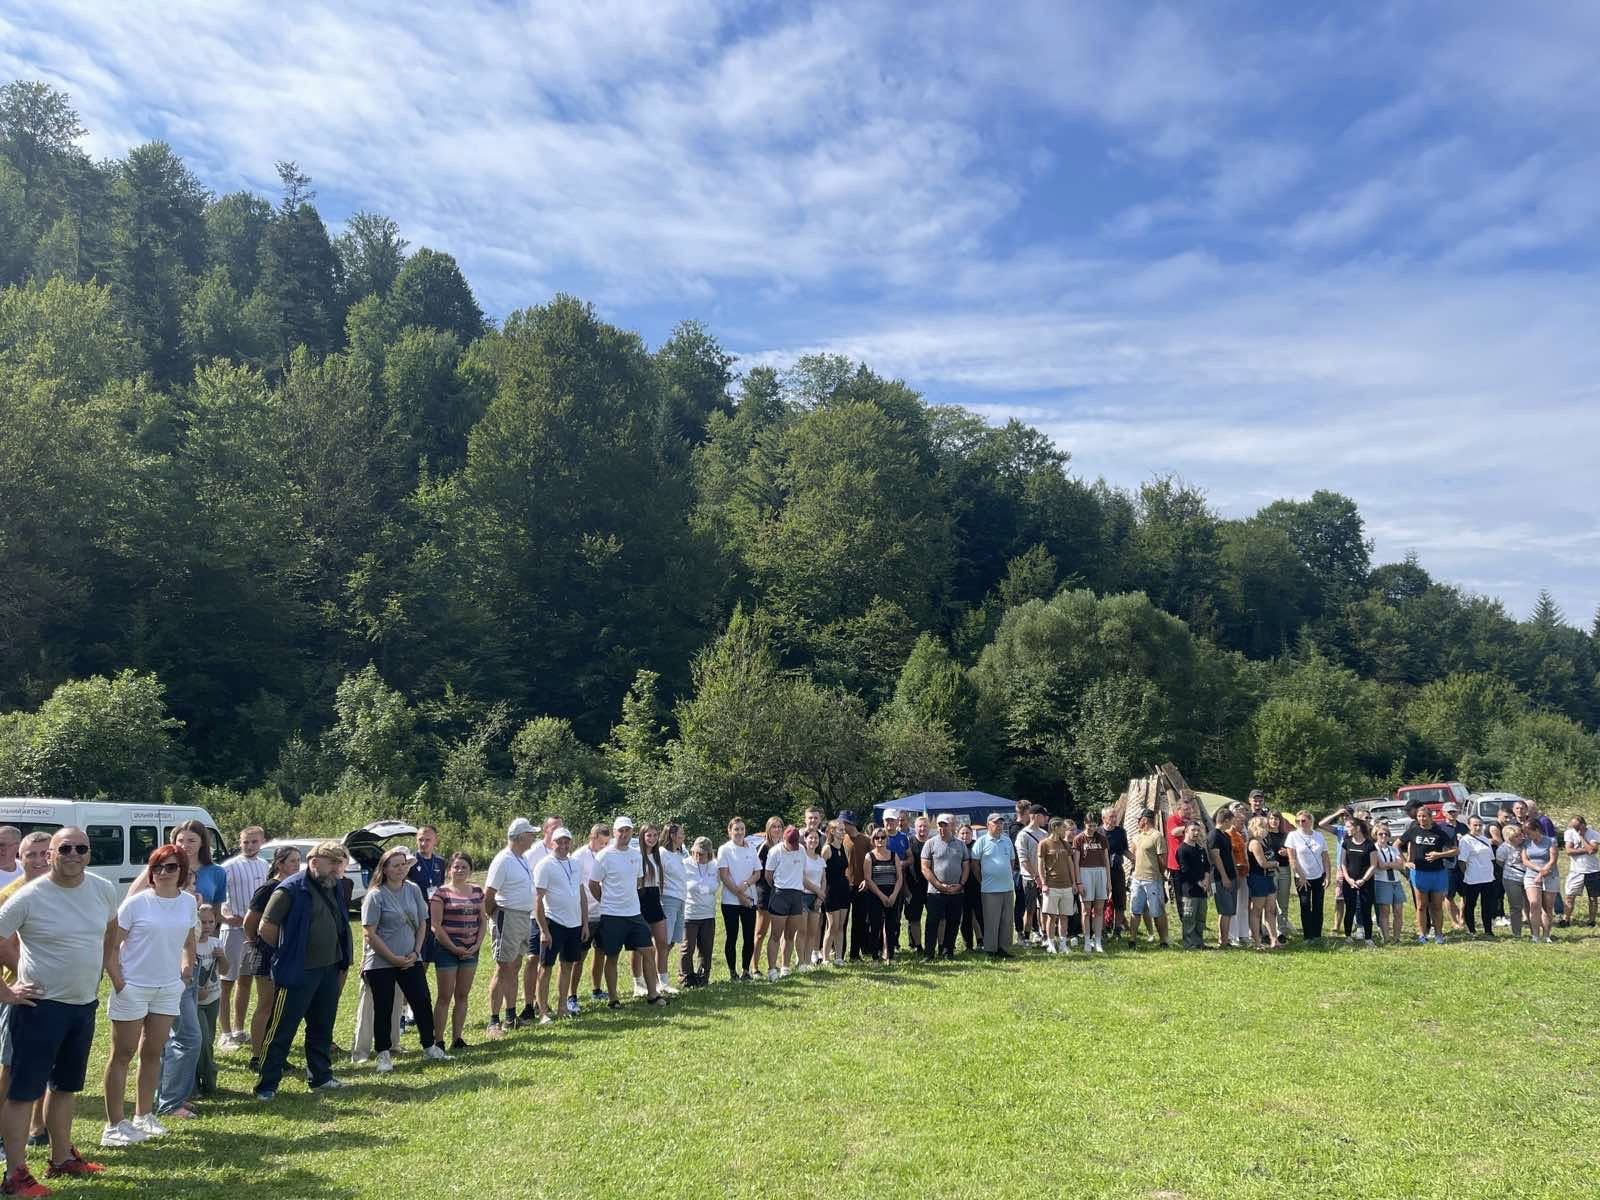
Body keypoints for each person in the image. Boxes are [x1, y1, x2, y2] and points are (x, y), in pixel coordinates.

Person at [0, 827, 119, 1192]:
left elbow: (111, 929)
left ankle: (62, 1158)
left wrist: (102, 968)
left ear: (89, 853)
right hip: (38, 1008)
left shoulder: (103, 889)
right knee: (23, 1092)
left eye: (81, 848)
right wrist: (5, 991)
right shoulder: (29, 896)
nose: (73, 854)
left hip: (82, 1005)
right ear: (50, 855)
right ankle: (15, 1175)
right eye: (64, 848)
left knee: (65, 1086)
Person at [102, 844, 197, 1147]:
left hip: (168, 989)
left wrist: (185, 970)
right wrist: (120, 983)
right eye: (157, 867)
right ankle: (114, 1125)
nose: (163, 872)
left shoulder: (188, 902)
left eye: (171, 867)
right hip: (133, 987)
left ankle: (144, 1115)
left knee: (154, 1052)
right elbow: (110, 947)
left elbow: (189, 941)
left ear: (182, 871)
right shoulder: (136, 904)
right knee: (123, 1054)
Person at [133, 820, 223, 1121]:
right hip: (160, 970)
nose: (185, 845)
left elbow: (193, 930)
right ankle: (169, 1100)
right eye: (181, 839)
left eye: (191, 840)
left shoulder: (202, 880)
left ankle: (169, 1096)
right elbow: (129, 914)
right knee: (185, 1036)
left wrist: (192, 962)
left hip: (188, 967)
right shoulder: (156, 874)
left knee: (176, 1036)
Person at [253, 840, 353, 1101]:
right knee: (281, 1030)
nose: (337, 869)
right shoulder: (289, 889)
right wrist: (288, 953)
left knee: (322, 1026)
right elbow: (265, 927)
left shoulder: (333, 885)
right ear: (314, 861)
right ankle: (267, 1084)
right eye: (332, 863)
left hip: (328, 969)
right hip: (298, 971)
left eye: (339, 863)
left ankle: (321, 1077)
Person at [361, 847, 445, 1073]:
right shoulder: (375, 895)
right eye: (395, 865)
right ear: (385, 869)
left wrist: (416, 953)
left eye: (404, 864)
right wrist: (392, 958)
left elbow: (422, 923)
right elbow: (370, 934)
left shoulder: (413, 889)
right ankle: (383, 1054)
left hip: (410, 958)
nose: (401, 869)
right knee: (384, 1007)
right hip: (381, 962)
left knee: (421, 1001)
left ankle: (429, 1046)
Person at [0, 833, 51, 1155]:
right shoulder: (11, 895)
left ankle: (38, 1125)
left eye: (45, 853)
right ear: (20, 858)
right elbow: (4, 945)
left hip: (56, 994)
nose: (38, 860)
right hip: (19, 992)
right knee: (12, 1066)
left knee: (46, 1063)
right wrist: (23, 978)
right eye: (30, 854)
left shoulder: (60, 893)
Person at [589, 817, 668, 1008]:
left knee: (648, 951)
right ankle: (613, 999)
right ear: (614, 832)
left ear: (632, 832)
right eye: (621, 831)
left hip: (634, 914)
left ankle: (653, 995)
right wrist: (606, 901)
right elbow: (593, 884)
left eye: (627, 830)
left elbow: (638, 881)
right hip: (612, 915)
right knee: (612, 956)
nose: (624, 834)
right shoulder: (604, 856)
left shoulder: (636, 855)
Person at [241, 845, 298, 1072]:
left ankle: (274, 1054)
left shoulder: (294, 886)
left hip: (286, 953)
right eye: (292, 861)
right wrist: (256, 941)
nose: (297, 865)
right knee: (266, 1005)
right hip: (266, 953)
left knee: (280, 1008)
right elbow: (249, 921)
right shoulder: (268, 888)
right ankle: (257, 1057)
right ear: (279, 864)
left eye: (298, 860)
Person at [483, 818, 537, 1038]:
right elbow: (489, 895)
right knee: (503, 968)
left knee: (514, 966)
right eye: (531, 834)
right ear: (521, 836)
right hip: (507, 916)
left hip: (522, 917)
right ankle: (493, 1022)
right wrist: (493, 916)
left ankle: (510, 1016)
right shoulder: (503, 860)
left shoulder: (521, 858)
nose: (533, 838)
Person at [217, 826, 267, 1053]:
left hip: (255, 933)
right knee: (226, 982)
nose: (249, 846)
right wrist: (225, 916)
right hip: (233, 931)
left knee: (245, 980)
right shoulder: (229, 867)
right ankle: (225, 1033)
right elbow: (218, 896)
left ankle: (238, 1029)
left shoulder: (264, 865)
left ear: (262, 842)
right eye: (245, 842)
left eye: (254, 842)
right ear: (240, 843)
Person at [533, 830, 589, 1023]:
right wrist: (543, 930)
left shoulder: (575, 863)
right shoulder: (545, 865)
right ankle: (542, 1012)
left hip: (574, 924)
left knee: (567, 966)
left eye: (567, 841)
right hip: (553, 922)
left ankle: (562, 1007)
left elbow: (581, 894)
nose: (564, 845)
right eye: (560, 842)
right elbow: (537, 899)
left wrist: (584, 923)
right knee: (546, 967)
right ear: (552, 843)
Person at [428, 852, 483, 1048]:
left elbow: (482, 921)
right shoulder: (440, 893)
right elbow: (435, 925)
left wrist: (476, 945)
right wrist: (453, 947)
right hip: (447, 950)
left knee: (462, 995)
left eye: (464, 867)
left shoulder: (477, 891)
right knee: (444, 996)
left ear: (470, 870)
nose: (460, 870)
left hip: (470, 950)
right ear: (449, 870)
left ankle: (457, 1038)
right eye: (456, 866)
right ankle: (438, 1041)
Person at [1399, 806, 1458, 944]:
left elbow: (1455, 850)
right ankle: (1422, 935)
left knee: (1436, 906)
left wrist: (1439, 855)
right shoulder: (1413, 831)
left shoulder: (1439, 832)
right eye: (1419, 816)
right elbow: (1397, 844)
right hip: (1419, 873)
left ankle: (1439, 934)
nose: (1421, 819)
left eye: (1424, 816)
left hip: (1437, 873)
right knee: (1421, 905)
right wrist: (1405, 862)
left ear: (1431, 817)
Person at [716, 818, 760, 982]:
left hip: (750, 899)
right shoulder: (724, 849)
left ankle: (746, 971)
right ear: (729, 831)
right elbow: (724, 875)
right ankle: (732, 972)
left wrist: (747, 883)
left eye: (742, 829)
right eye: (736, 829)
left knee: (749, 936)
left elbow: (757, 873)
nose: (739, 832)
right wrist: (740, 896)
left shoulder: (751, 848)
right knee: (732, 936)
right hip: (730, 902)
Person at [920, 814, 969, 961]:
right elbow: (925, 868)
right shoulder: (930, 843)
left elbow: (966, 866)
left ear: (952, 826)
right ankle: (929, 953)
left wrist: (960, 885)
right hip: (935, 892)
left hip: (956, 892)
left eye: (945, 825)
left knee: (953, 922)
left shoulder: (960, 845)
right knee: (932, 923)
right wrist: (939, 885)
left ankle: (948, 951)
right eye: (940, 825)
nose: (942, 828)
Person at [571, 825, 609, 1003]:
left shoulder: (608, 854)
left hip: (604, 912)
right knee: (579, 956)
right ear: (591, 837)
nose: (604, 846)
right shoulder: (578, 857)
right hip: (584, 914)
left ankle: (596, 989)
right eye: (601, 843)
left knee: (600, 952)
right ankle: (572, 995)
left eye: (606, 843)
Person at [761, 827, 807, 976]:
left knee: (790, 934)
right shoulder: (775, 851)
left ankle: (785, 967)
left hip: (797, 894)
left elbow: (802, 871)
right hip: (780, 893)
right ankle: (771, 969)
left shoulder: (801, 850)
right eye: (790, 844)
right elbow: (768, 875)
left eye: (795, 844)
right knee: (776, 934)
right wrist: (778, 887)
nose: (793, 847)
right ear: (784, 840)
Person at [972, 814, 1017, 959]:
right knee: (991, 920)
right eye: (995, 823)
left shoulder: (1007, 840)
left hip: (1007, 887)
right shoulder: (981, 841)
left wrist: (1004, 874)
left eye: (1001, 823)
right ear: (988, 825)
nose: (999, 825)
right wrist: (982, 880)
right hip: (990, 889)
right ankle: (991, 949)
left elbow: (1011, 861)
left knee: (1007, 920)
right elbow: (974, 864)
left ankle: (1004, 948)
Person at [634, 824, 670, 996]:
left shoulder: (657, 855)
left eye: (655, 835)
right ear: (642, 837)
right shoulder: (636, 855)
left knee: (662, 942)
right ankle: (638, 983)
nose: (652, 838)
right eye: (649, 835)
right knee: (640, 946)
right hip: (640, 899)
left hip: (655, 898)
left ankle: (663, 981)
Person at [192, 905, 223, 1101]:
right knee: (200, 1041)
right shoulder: (190, 945)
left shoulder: (216, 943)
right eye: (202, 922)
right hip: (195, 1002)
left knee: (209, 1040)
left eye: (211, 922)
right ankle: (204, 1080)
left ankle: (207, 1083)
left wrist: (222, 956)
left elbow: (225, 969)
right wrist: (196, 990)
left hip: (213, 999)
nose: (207, 926)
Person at [860, 828, 903, 962]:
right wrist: (881, 896)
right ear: (873, 840)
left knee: (891, 926)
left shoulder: (894, 855)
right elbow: (868, 879)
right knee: (875, 926)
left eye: (883, 837)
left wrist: (894, 895)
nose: (880, 840)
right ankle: (875, 956)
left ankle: (890, 955)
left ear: (886, 839)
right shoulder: (869, 857)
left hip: (892, 893)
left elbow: (899, 878)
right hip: (875, 895)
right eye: (877, 838)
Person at [1035, 820, 1078, 955]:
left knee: (1064, 916)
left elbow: (1070, 864)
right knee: (1051, 917)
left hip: (1067, 885)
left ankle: (1063, 944)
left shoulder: (1065, 844)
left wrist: (1074, 883)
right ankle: (1051, 944)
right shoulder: (1044, 844)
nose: (1065, 830)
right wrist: (1043, 883)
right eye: (1063, 827)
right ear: (1055, 828)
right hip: (1051, 885)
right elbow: (1040, 865)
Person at [1285, 812, 1329, 942]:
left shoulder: (1319, 836)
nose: (1300, 823)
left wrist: (1328, 875)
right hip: (1302, 876)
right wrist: (1301, 876)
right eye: (1297, 821)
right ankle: (1307, 935)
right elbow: (1292, 859)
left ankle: (1317, 934)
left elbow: (1325, 857)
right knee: (1305, 904)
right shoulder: (1292, 836)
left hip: (1318, 875)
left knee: (1318, 905)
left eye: (1303, 820)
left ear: (1310, 821)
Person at [749, 816, 785, 978]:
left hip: (780, 893)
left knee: (776, 932)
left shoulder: (783, 847)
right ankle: (754, 967)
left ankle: (773, 963)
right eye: (774, 827)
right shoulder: (763, 848)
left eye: (779, 827)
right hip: (765, 893)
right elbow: (758, 871)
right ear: (768, 829)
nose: (777, 830)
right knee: (760, 932)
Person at [1128, 810, 1169, 948]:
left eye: (1138, 819)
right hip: (1137, 879)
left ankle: (1163, 940)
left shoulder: (1157, 836)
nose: (1137, 822)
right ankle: (1132, 940)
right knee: (1135, 910)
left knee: (1157, 911)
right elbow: (1133, 855)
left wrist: (1160, 874)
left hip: (1152, 879)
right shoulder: (1137, 837)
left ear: (1144, 820)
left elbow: (1163, 860)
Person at [682, 839, 719, 986]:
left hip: (708, 914)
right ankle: (686, 977)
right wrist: (704, 887)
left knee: (706, 948)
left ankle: (703, 977)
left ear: (709, 853)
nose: (698, 856)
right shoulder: (685, 864)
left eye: (702, 854)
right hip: (690, 913)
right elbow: (687, 886)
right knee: (687, 948)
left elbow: (715, 885)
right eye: (696, 853)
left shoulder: (714, 865)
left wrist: (701, 887)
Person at [1072, 811, 1109, 954]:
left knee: (1099, 910)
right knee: (1086, 910)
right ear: (1084, 824)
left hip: (1101, 872)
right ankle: (1087, 941)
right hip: (1084, 872)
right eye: (1089, 826)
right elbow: (1076, 862)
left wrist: (1109, 882)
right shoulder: (1078, 839)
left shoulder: (1102, 839)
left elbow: (1106, 861)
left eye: (1094, 826)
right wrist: (1078, 882)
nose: (1092, 829)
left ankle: (1098, 941)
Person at [1014, 805, 1049, 947]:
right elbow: (1023, 860)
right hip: (1029, 878)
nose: (1046, 818)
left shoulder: (1044, 833)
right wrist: (1036, 877)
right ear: (1036, 816)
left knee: (1045, 908)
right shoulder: (1023, 835)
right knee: (1030, 909)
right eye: (1043, 816)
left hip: (1045, 878)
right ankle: (1026, 937)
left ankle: (1045, 936)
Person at [1457, 817, 1497, 938]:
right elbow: (1462, 861)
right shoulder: (1465, 840)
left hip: (1488, 878)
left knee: (1487, 905)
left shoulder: (1485, 839)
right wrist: (1467, 873)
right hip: (1472, 879)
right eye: (1475, 825)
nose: (1478, 827)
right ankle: (1471, 930)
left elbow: (1491, 858)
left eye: (1480, 825)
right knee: (1470, 905)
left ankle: (1488, 930)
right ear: (1469, 826)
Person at [1338, 818, 1377, 942]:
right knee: (1350, 909)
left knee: (1366, 909)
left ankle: (1368, 938)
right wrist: (1348, 879)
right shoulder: (1346, 843)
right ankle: (1348, 936)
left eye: (1349, 826)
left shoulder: (1369, 844)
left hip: (1366, 882)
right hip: (1349, 882)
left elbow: (1373, 865)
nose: (1347, 829)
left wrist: (1363, 880)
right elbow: (1343, 863)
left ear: (1358, 828)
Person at [658, 824, 688, 987]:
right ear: (672, 835)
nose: (683, 836)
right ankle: (660, 981)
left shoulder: (679, 854)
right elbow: (658, 877)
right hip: (668, 899)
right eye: (681, 833)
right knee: (663, 942)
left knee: (671, 942)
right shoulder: (663, 853)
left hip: (681, 898)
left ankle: (659, 976)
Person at [841, 812, 873, 962]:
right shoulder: (841, 839)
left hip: (862, 886)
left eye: (843, 823)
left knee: (859, 921)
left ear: (850, 823)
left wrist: (867, 880)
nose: (841, 826)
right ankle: (839, 953)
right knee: (841, 922)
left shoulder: (866, 840)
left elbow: (872, 861)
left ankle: (855, 954)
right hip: (844, 886)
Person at [1520, 822, 1560, 943]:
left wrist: (1541, 874)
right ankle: (1535, 935)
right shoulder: (1526, 843)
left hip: (1550, 876)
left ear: (1537, 829)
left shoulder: (1550, 841)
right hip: (1531, 876)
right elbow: (1525, 860)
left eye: (1529, 833)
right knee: (1534, 903)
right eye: (1525, 833)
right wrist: (1538, 870)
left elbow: (1553, 860)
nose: (1527, 836)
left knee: (1548, 907)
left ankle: (1546, 935)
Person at [1246, 817, 1280, 950]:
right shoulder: (1254, 843)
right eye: (1265, 826)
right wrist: (1275, 863)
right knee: (1257, 910)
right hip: (1258, 879)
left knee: (1271, 909)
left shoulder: (1265, 841)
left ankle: (1274, 939)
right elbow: (1262, 863)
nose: (1267, 829)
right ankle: (1257, 942)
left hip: (1269, 878)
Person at [1176, 823, 1212, 950]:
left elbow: (1207, 865)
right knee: (1189, 917)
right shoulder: (1182, 849)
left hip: (1202, 890)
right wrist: (1198, 882)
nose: (1196, 833)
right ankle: (1189, 944)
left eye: (1198, 830)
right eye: (1193, 830)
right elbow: (1185, 870)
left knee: (1200, 918)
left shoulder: (1200, 848)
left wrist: (1206, 879)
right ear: (1186, 831)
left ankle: (1199, 942)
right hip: (1189, 890)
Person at [821, 821, 852, 966]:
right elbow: (821, 872)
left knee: (841, 925)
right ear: (832, 831)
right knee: (832, 926)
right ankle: (825, 958)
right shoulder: (827, 849)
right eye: (840, 830)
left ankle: (839, 957)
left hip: (843, 890)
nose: (843, 832)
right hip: (831, 890)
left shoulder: (843, 847)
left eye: (843, 830)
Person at [1207, 809, 1239, 949]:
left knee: (1230, 910)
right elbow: (1216, 857)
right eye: (1232, 821)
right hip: (1220, 878)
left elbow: (1230, 854)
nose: (1233, 823)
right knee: (1224, 910)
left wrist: (1235, 873)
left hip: (1231, 876)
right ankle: (1223, 941)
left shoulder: (1225, 835)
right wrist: (1224, 877)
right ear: (1226, 820)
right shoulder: (1214, 835)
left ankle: (1227, 938)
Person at [1561, 817, 1599, 927]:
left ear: (1583, 824)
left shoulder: (1594, 834)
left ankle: (1591, 921)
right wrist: (1586, 849)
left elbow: (1592, 850)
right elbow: (1569, 851)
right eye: (1573, 827)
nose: (1575, 829)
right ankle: (1566, 919)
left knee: (1593, 897)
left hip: (1593, 870)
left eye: (1577, 827)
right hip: (1575, 870)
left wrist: (1581, 836)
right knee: (1570, 896)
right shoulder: (1569, 833)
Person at [1372, 824, 1405, 943]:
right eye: (1380, 834)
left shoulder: (1393, 849)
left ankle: (1397, 938)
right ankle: (1386, 938)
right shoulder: (1374, 848)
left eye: (1386, 834)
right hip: (1382, 882)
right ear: (1375, 835)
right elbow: (1380, 866)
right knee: (1385, 911)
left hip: (1396, 881)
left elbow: (1401, 865)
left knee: (1398, 910)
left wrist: (1388, 864)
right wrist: (1393, 864)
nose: (1383, 836)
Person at [1265, 811, 1295, 938]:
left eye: (1276, 819)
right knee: (1270, 902)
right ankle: (1268, 931)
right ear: (1268, 820)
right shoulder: (1265, 835)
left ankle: (1282, 930)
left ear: (1280, 821)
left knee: (1283, 902)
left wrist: (1287, 853)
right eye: (1271, 818)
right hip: (1270, 870)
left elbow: (1293, 852)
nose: (1274, 821)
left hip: (1284, 869)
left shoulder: (1286, 835)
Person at [1496, 824, 1529, 939]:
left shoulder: (1525, 845)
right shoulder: (1503, 849)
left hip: (1528, 877)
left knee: (1531, 904)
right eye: (1517, 836)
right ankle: (1517, 933)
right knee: (1516, 906)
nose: (1520, 838)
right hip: (1511, 879)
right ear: (1509, 838)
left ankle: (1534, 930)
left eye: (1520, 835)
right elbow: (1500, 862)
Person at [1102, 805, 1130, 939]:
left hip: (1117, 869)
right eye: (1111, 817)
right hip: (1101, 871)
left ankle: (1117, 930)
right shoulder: (1098, 832)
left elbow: (1125, 850)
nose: (1114, 819)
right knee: (1101, 901)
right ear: (1104, 818)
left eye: (1115, 816)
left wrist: (1136, 860)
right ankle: (1102, 930)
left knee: (1120, 900)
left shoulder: (1120, 832)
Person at [902, 815, 929, 956]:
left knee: (937, 919)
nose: (922, 829)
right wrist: (906, 889)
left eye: (925, 826)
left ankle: (937, 945)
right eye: (920, 826)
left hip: (932, 887)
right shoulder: (909, 843)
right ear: (915, 828)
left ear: (929, 828)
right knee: (914, 919)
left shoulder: (933, 843)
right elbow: (904, 868)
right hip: (914, 887)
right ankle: (918, 947)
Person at [957, 822, 982, 951]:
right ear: (958, 834)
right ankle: (968, 945)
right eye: (962, 833)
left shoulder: (977, 846)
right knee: (965, 917)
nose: (965, 836)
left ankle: (982, 941)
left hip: (977, 886)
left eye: (967, 833)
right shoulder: (956, 847)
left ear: (972, 834)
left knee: (979, 915)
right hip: (962, 887)